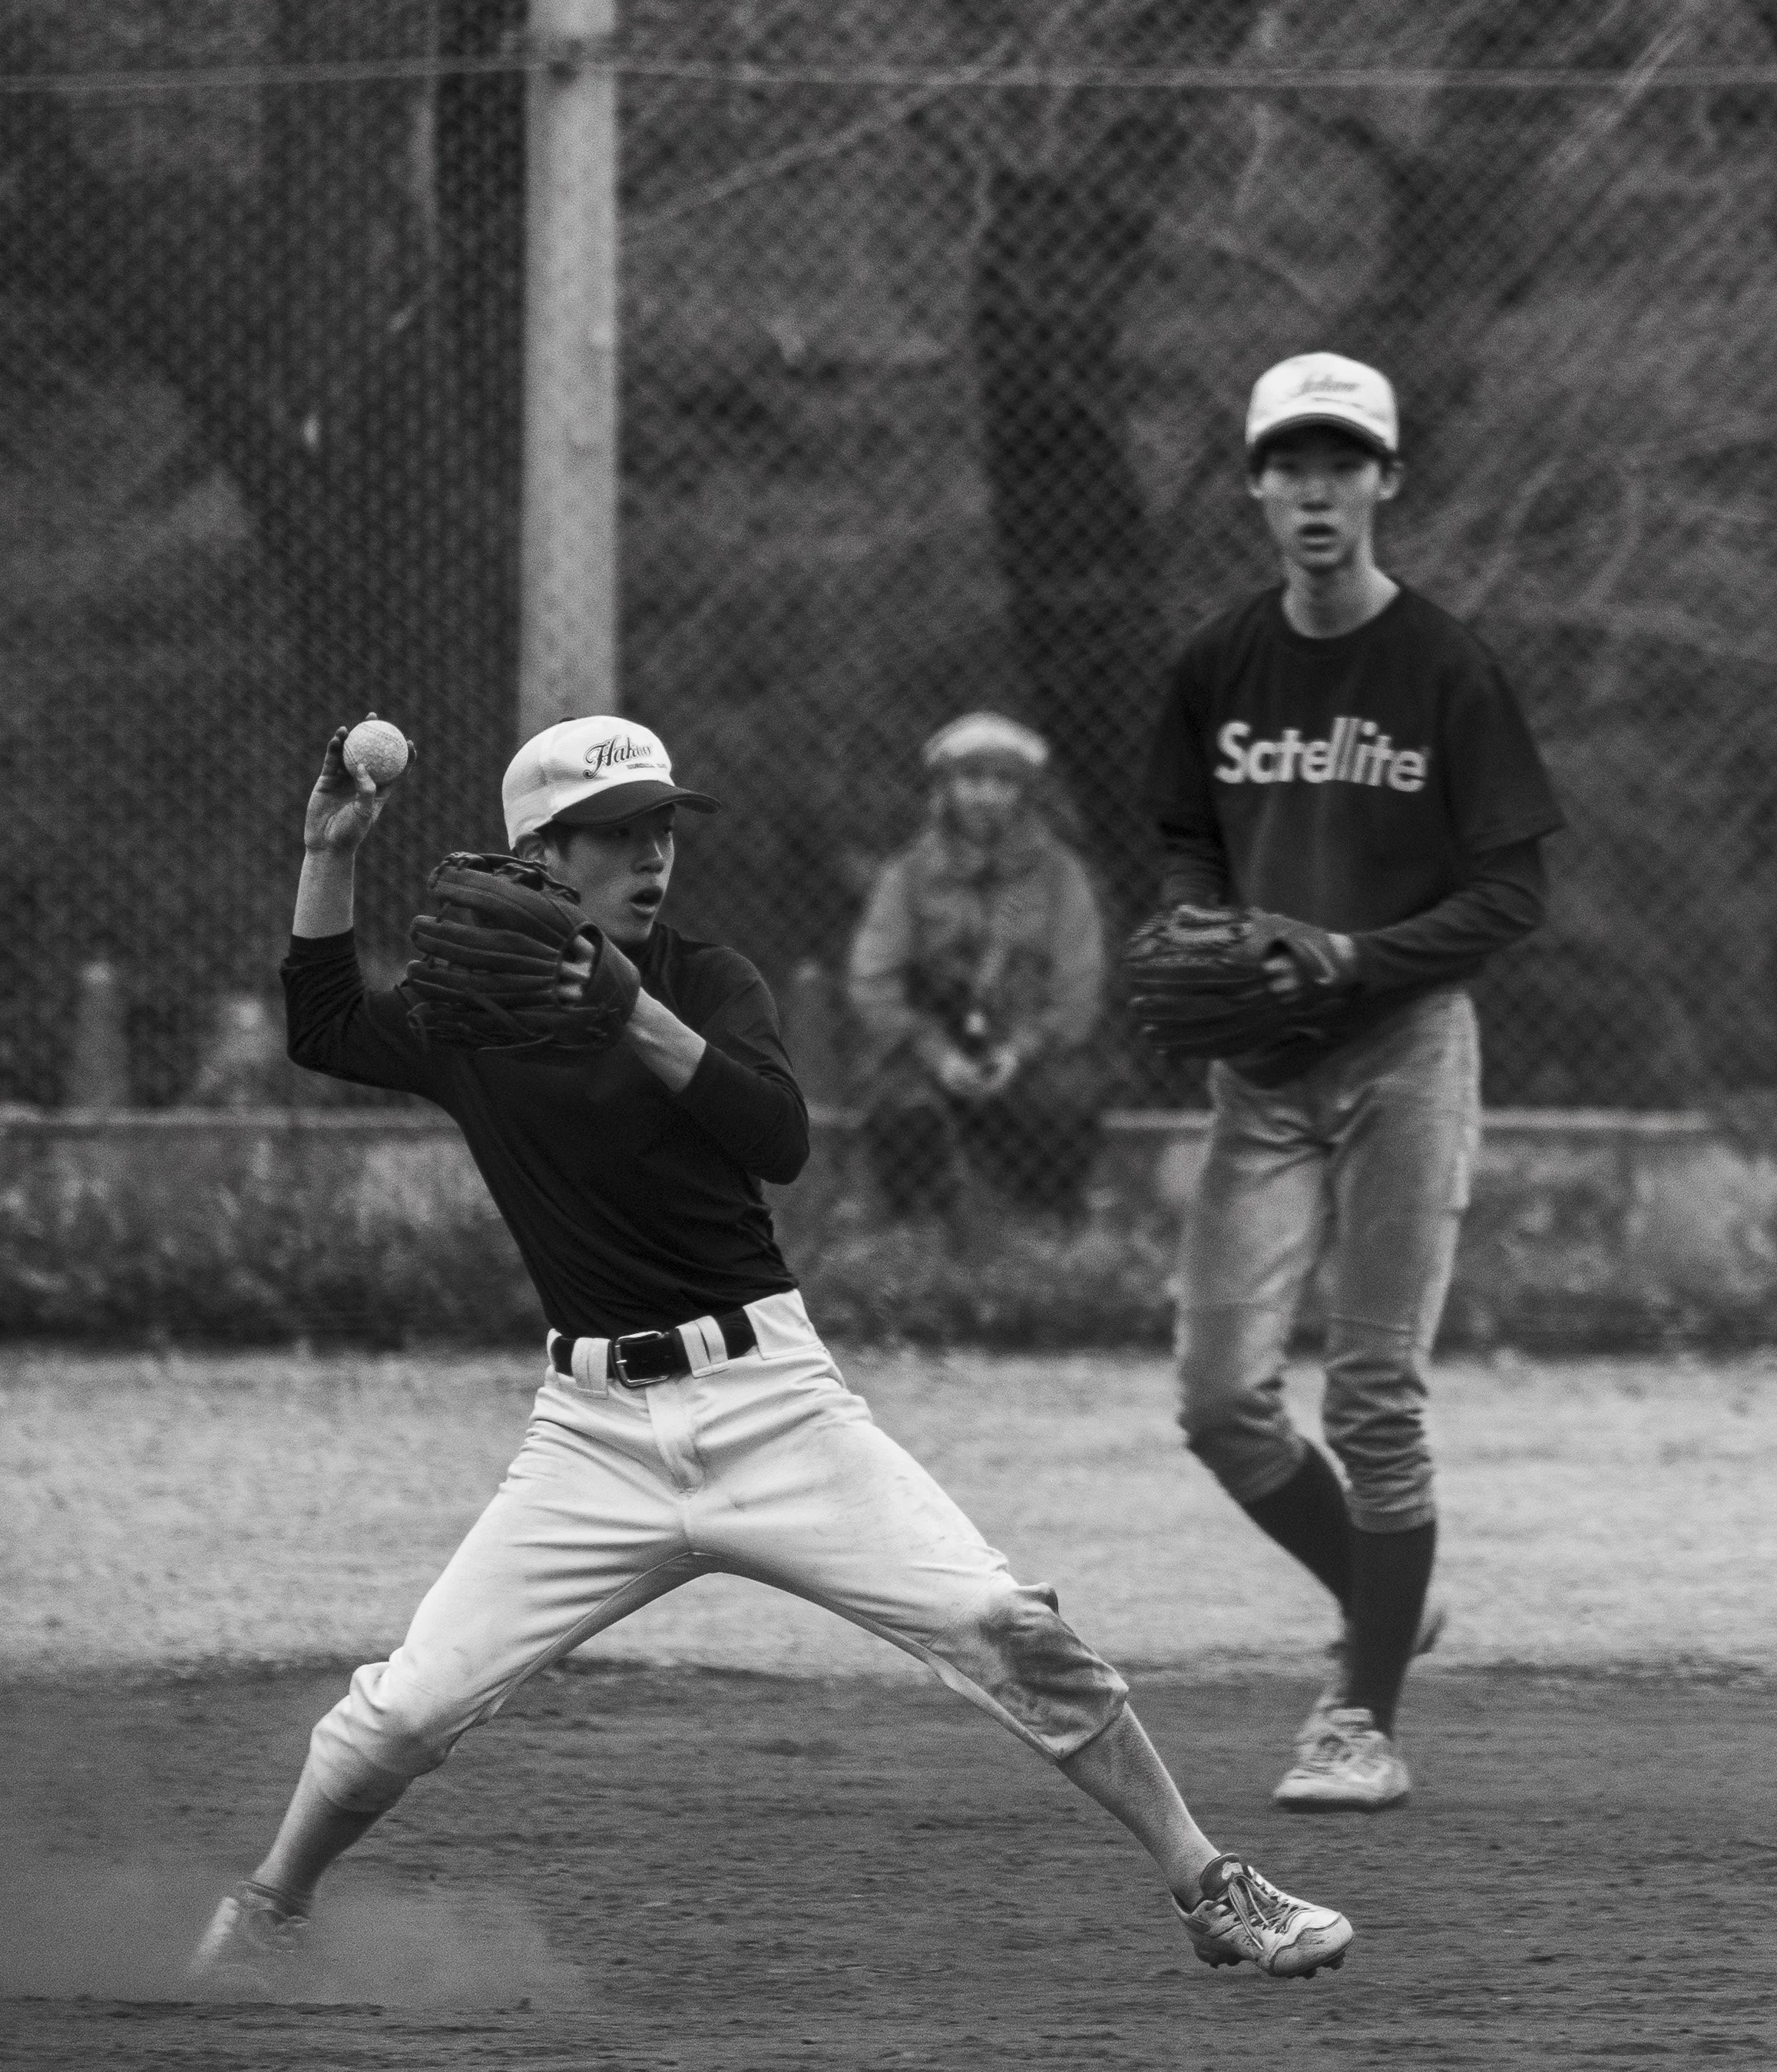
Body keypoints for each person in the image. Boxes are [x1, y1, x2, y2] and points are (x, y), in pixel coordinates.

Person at [190, 712, 1355, 1987]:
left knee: (1004, 1627)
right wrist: (328, 852)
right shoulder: (470, 1016)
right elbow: (320, 1026)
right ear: (541, 854)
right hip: (589, 1437)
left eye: (660, 830)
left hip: (770, 1402)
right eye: (616, 834)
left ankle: (1206, 1884)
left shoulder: (704, 978)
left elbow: (774, 1134)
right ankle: (269, 1908)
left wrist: (633, 1012)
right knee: (404, 1710)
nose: (651, 856)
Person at [1144, 354, 1562, 1811]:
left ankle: (1358, 1715)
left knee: (1371, 1393)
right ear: (1255, 485)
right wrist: (1201, 923)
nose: (1313, 490)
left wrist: (1352, 956)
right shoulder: (1216, 662)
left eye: (1342, 464)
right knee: (1216, 1400)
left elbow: (1508, 896)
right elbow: (1186, 836)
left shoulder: (1443, 667)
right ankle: (1389, 1600)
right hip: (1260, 1071)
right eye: (1287, 464)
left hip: (1401, 1055)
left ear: (1384, 481)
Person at [848, 713, 1107, 1218]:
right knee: (901, 1107)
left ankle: (1050, 1226)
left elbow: (1080, 988)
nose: (986, 795)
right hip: (929, 1047)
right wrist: (934, 1052)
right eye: (971, 780)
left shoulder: (1061, 876)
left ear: (1025, 793)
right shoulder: (907, 875)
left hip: (1029, 1049)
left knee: (1069, 1099)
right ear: (945, 788)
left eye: (1003, 781)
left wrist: (1021, 1050)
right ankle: (913, 1230)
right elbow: (872, 981)